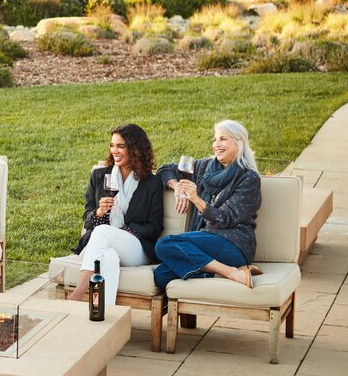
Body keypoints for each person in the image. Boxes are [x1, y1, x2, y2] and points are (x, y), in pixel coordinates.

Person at [154, 119, 261, 290]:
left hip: (234, 243)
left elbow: (224, 219)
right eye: (215, 139)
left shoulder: (248, 178)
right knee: (161, 276)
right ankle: (226, 272)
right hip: (204, 239)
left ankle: (231, 272)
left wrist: (196, 199)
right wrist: (176, 187)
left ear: (240, 142)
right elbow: (164, 170)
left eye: (223, 139)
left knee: (164, 244)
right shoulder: (205, 167)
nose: (217, 144)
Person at [68, 124, 164, 304]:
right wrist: (99, 211)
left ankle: (78, 294)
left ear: (135, 149)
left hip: (136, 248)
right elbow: (88, 218)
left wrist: (127, 231)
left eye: (121, 146)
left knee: (104, 231)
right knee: (109, 256)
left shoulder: (151, 182)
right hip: (102, 242)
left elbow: (156, 226)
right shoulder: (99, 176)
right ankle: (106, 313)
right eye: (112, 145)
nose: (114, 151)